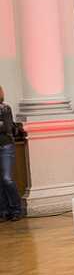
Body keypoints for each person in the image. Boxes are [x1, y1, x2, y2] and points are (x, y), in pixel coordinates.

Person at [0, 86, 19, 221]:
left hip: (5, 146)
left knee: (7, 179)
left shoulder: (5, 108)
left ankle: (16, 209)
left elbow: (7, 127)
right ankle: (4, 211)